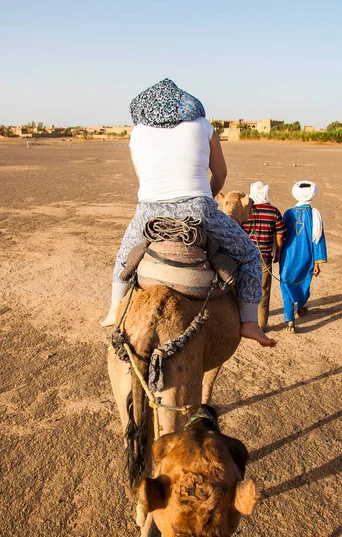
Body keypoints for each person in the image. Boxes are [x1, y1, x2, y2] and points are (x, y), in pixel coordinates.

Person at [101, 79, 276, 348]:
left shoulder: (137, 132)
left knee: (125, 255)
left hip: (149, 210)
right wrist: (207, 197)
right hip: (197, 207)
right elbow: (220, 174)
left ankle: (115, 308)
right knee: (249, 254)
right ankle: (250, 322)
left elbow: (142, 179)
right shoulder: (203, 125)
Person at [279, 181, 327, 333]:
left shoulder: (288, 213)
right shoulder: (315, 215)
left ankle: (290, 322)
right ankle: (300, 307)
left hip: (287, 257)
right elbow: (318, 239)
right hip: (307, 257)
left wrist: (277, 252)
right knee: (303, 284)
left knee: (286, 285)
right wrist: (317, 263)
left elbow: (280, 234)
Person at [242, 181, 286, 331]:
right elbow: (280, 234)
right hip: (265, 256)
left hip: (247, 257)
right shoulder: (274, 211)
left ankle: (245, 320)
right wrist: (278, 251)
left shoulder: (246, 211)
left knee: (245, 287)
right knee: (264, 289)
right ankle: (261, 324)